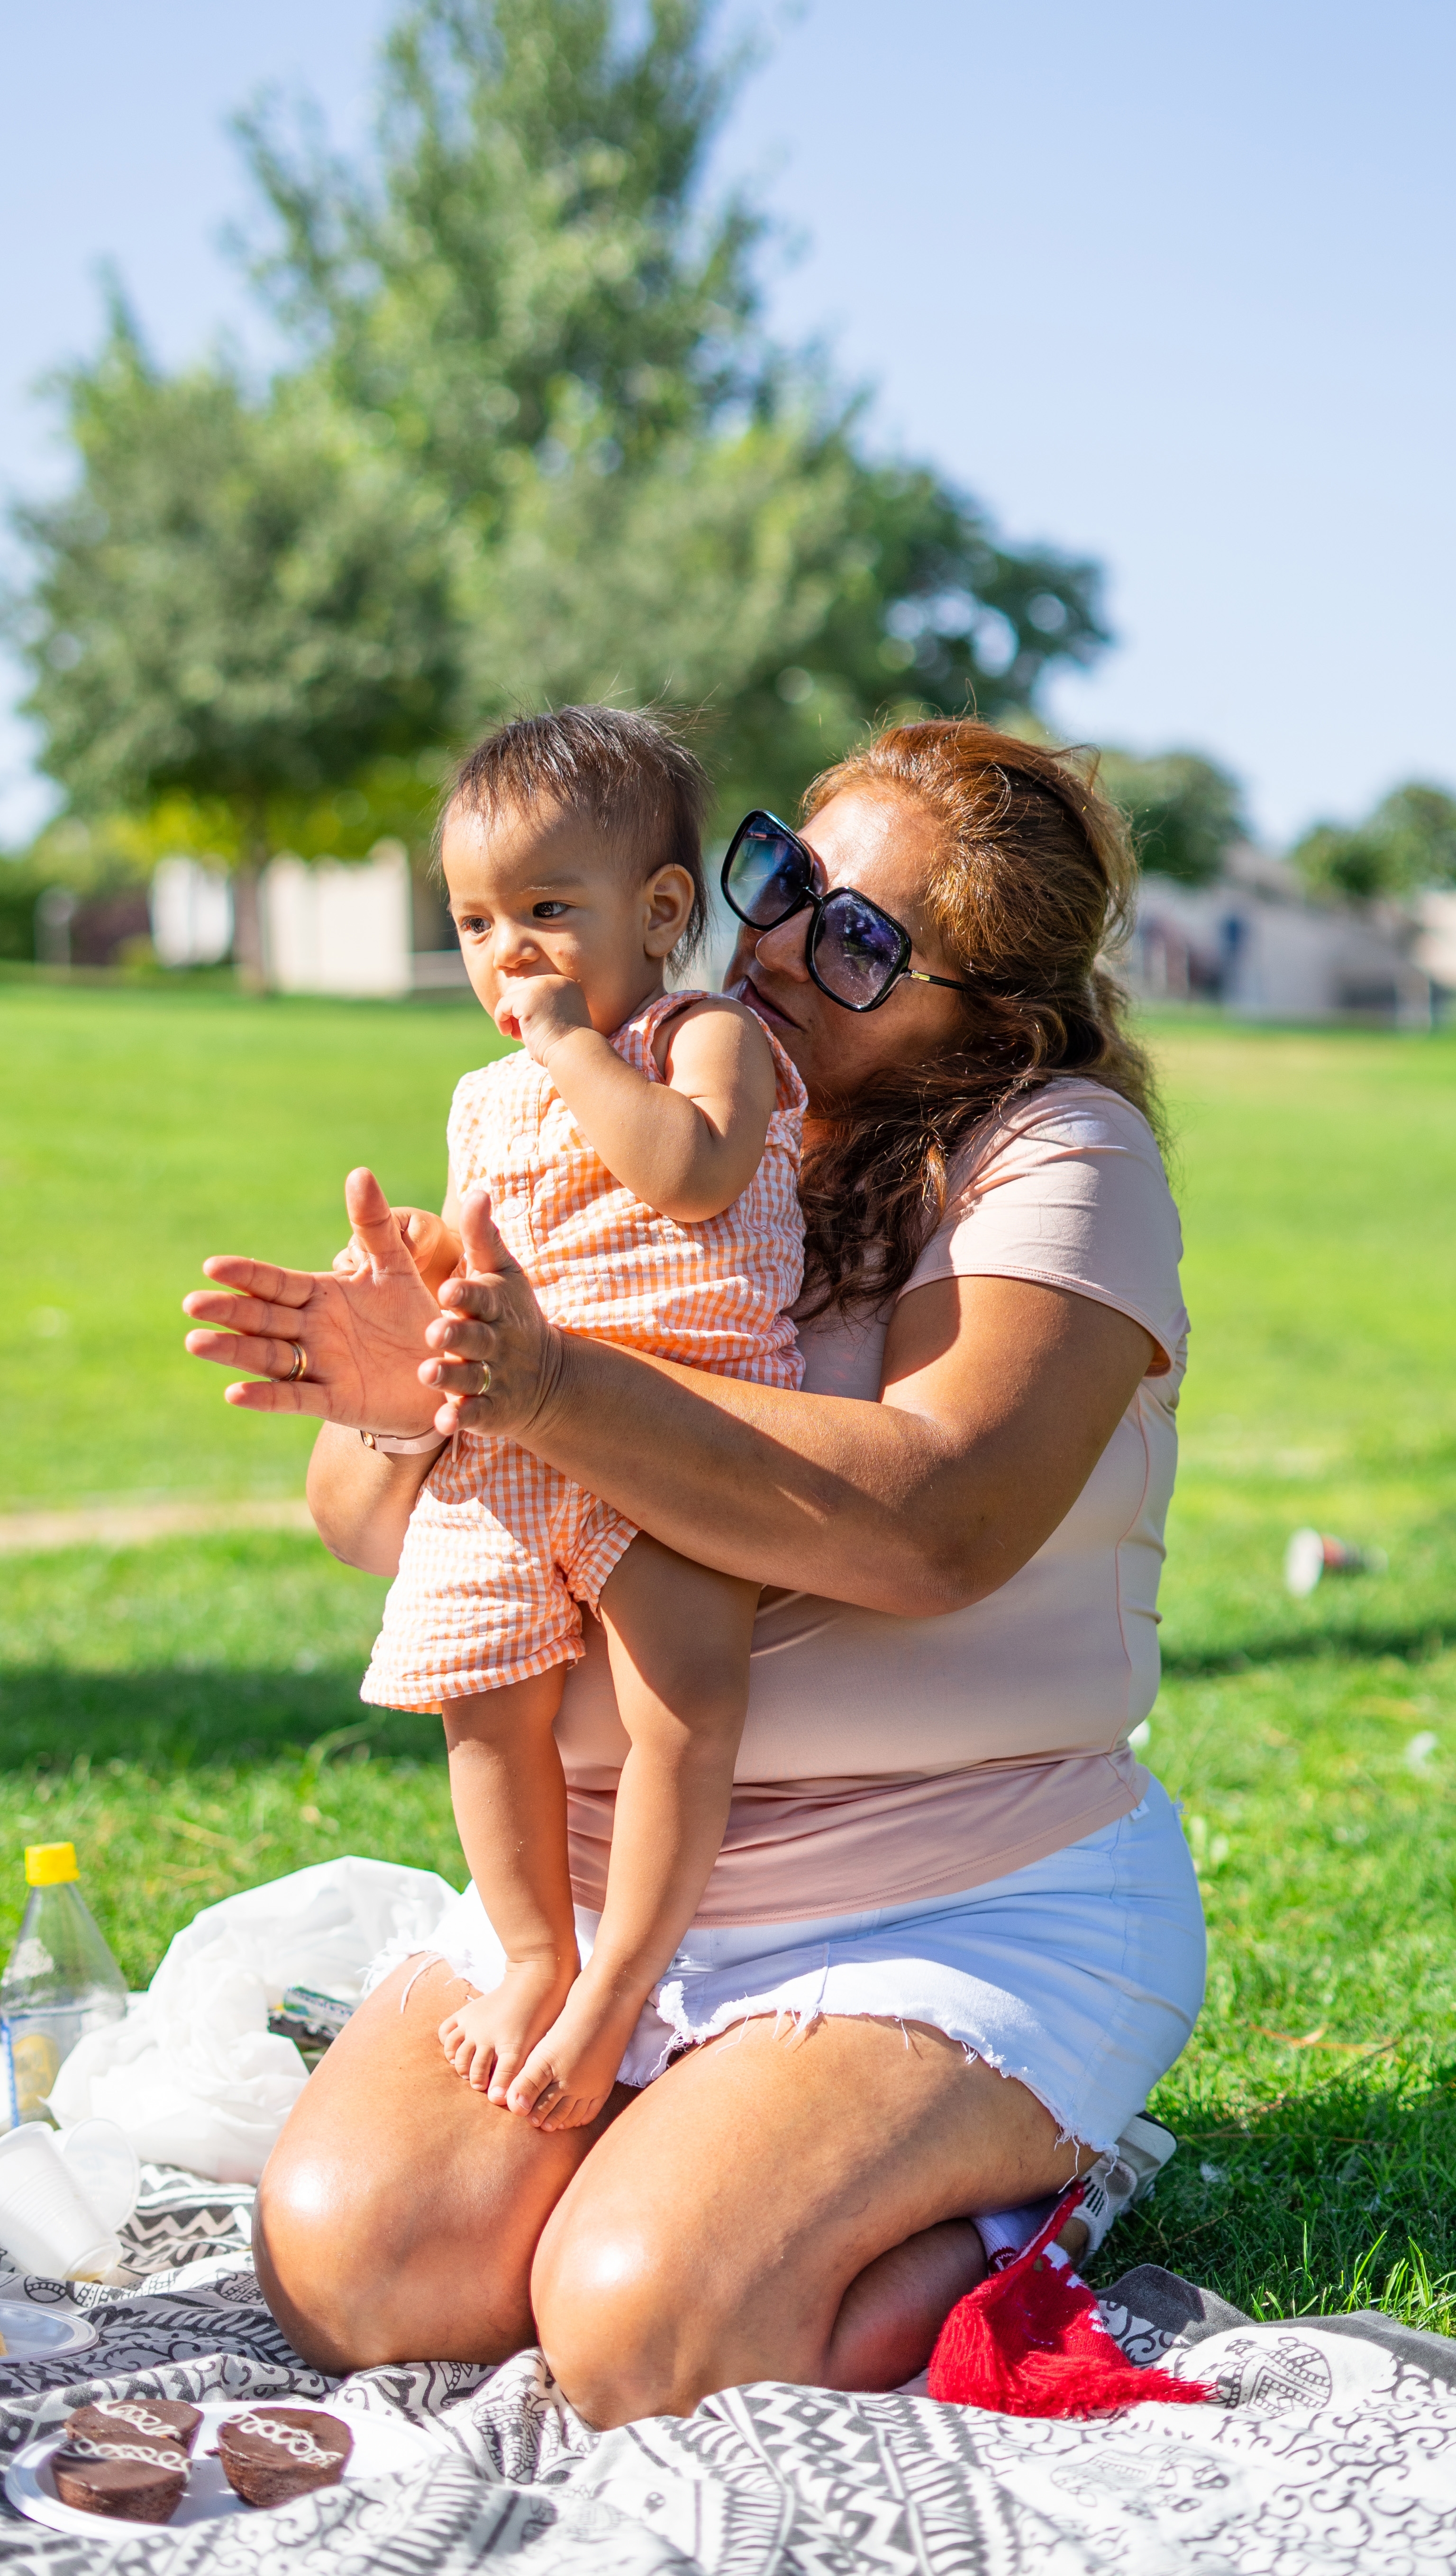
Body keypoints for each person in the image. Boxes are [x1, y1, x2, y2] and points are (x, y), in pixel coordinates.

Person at [182, 719, 1206, 2430]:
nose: (794, 942)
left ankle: (1040, 2193)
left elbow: (935, 1515)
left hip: (944, 1895)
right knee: (357, 2266)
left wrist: (559, 1384)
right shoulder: (626, 1091)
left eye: (866, 938)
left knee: (643, 2331)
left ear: (994, 1016)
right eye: (786, 881)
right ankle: (688, 2136)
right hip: (592, 1896)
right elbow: (379, 1534)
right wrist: (405, 1405)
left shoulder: (1060, 1155)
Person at [353, 708, 807, 2132]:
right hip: (507, 1451)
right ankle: (535, 1946)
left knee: (687, 1703)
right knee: (478, 1704)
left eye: (549, 910)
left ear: (661, 911)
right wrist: (428, 1267)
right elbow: (510, 1250)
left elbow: (688, 1173)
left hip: (676, 1428)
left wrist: (568, 1046)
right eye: (478, 921)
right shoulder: (483, 1096)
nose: (511, 954)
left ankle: (619, 1977)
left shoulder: (704, 1037)